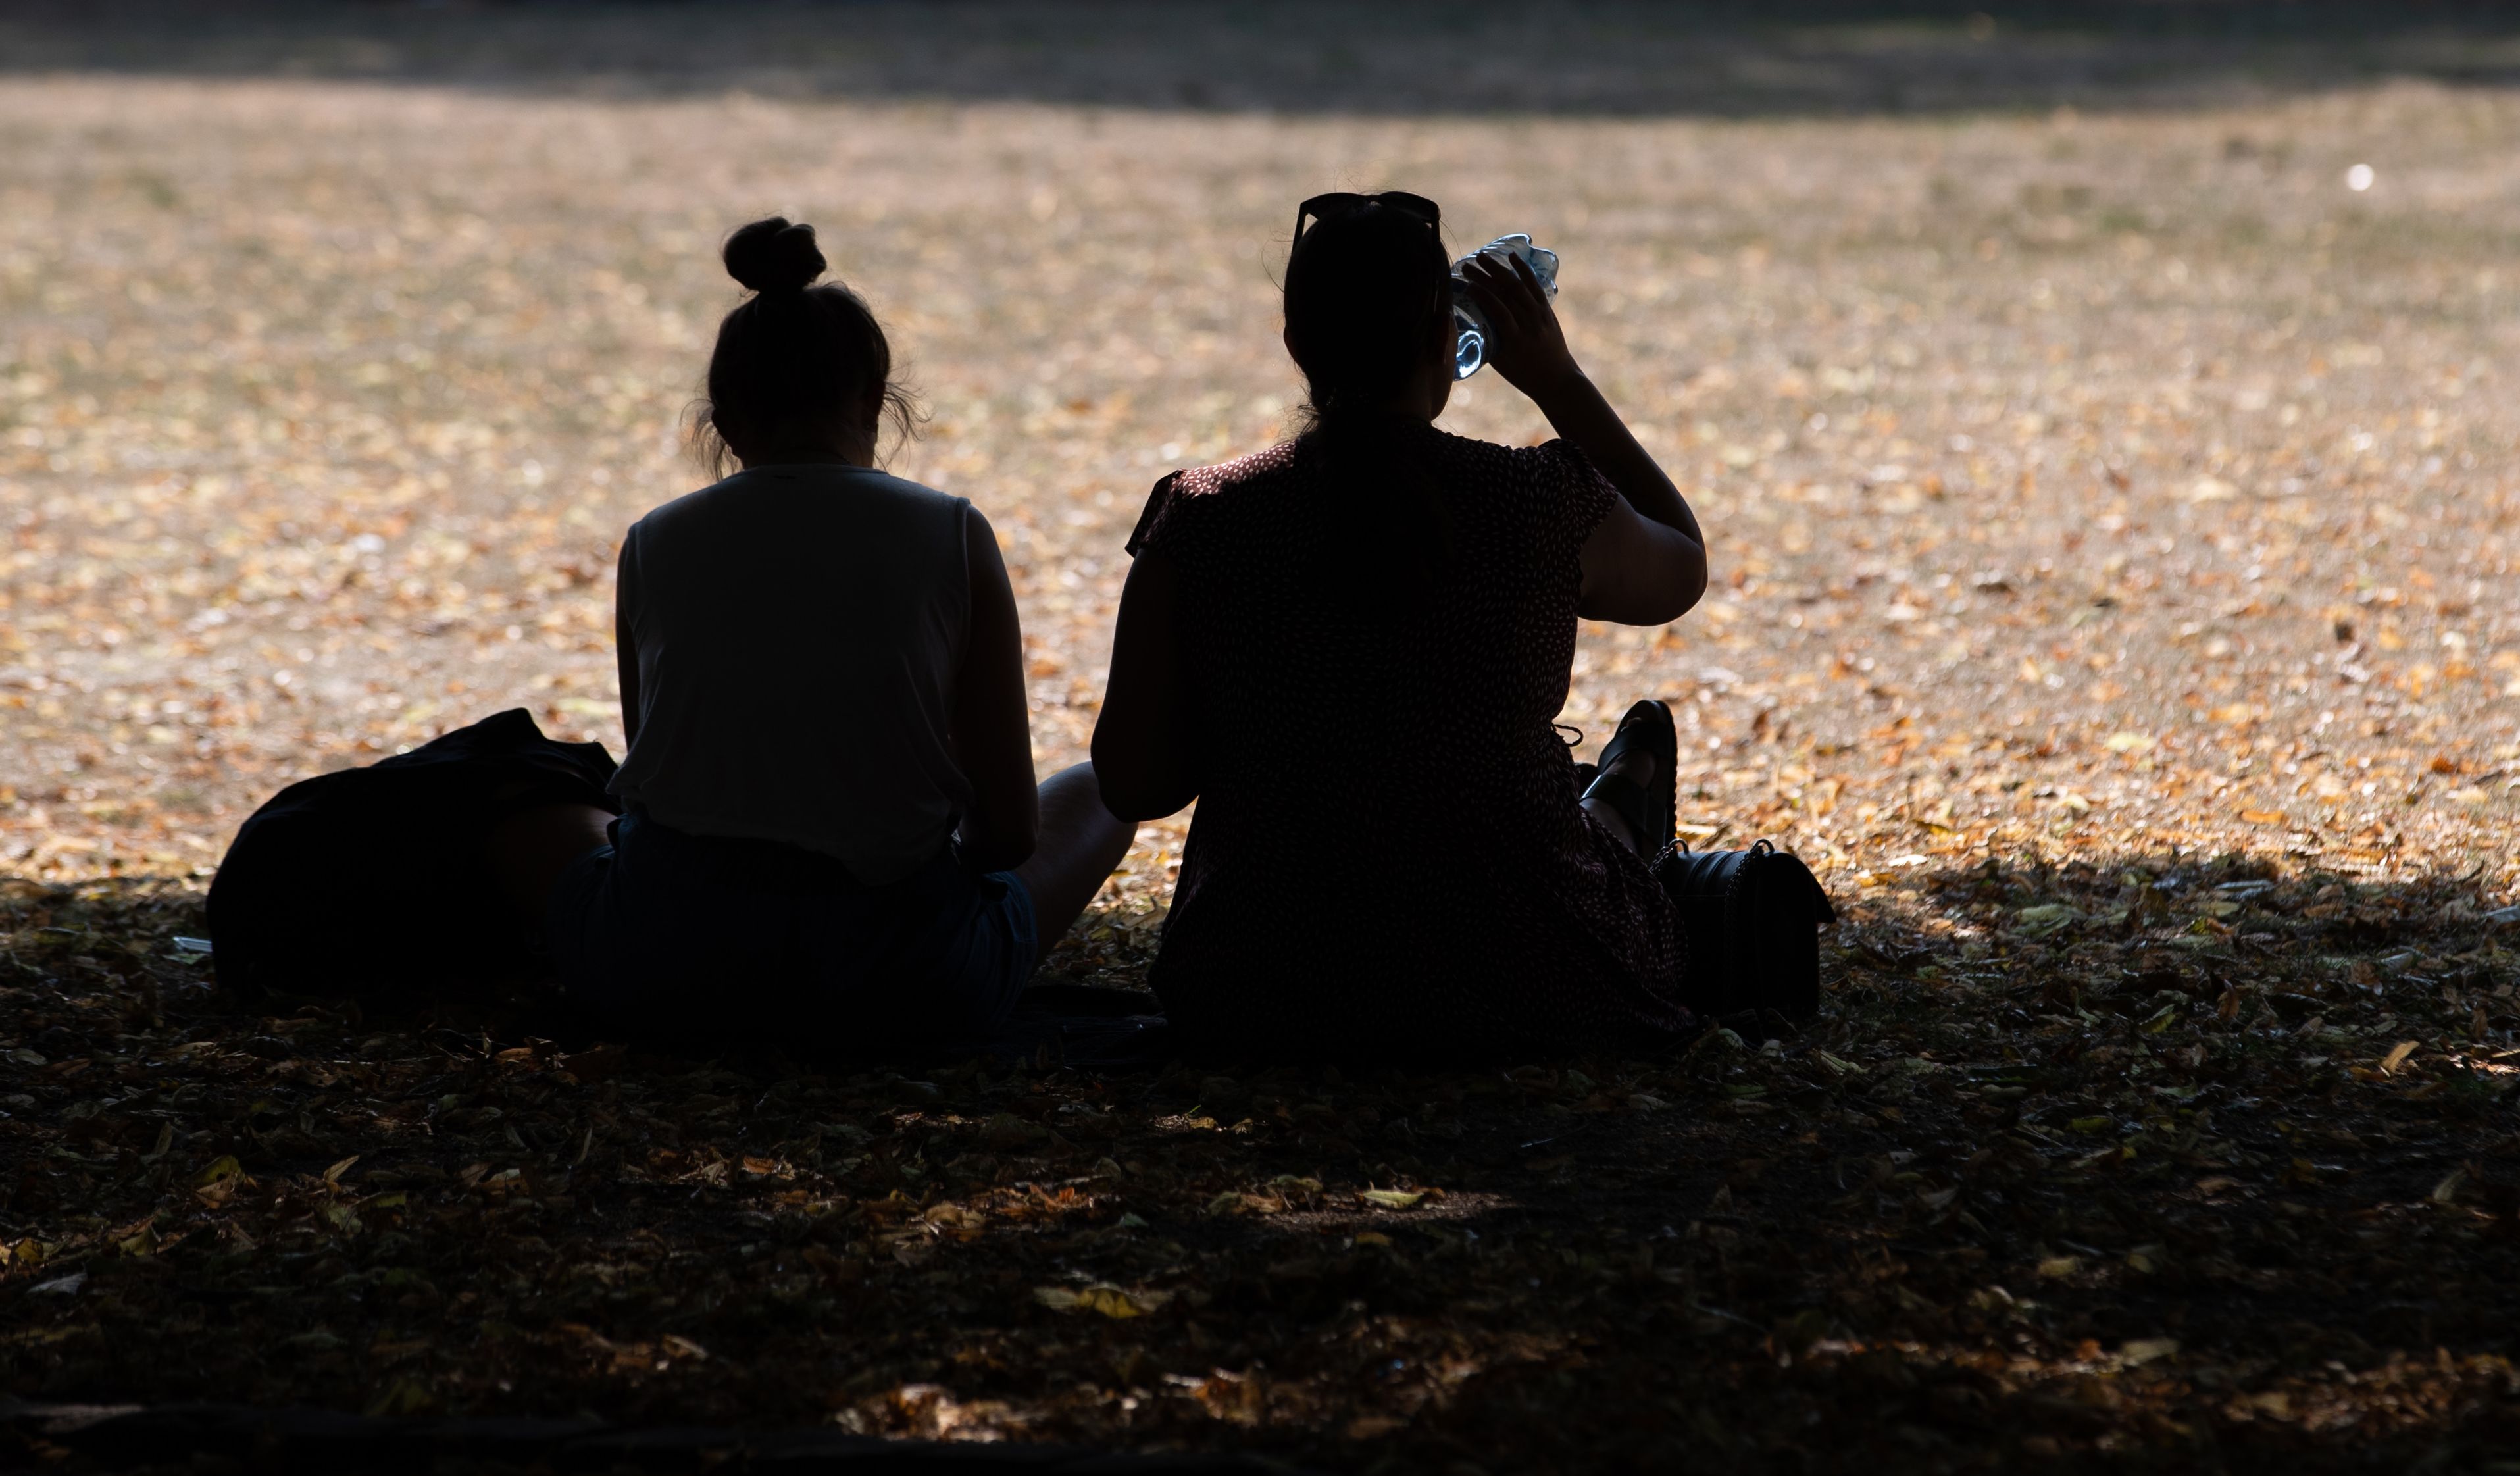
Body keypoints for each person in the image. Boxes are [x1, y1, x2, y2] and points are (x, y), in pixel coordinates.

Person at [1091, 191, 1709, 1061]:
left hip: (1260, 987)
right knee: (1586, 838)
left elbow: (1132, 784)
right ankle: (1615, 796)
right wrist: (1558, 381)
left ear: (1295, 343)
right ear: (1445, 342)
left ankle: (1610, 792)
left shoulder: (1202, 516)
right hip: (1539, 974)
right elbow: (1680, 563)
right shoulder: (1540, 503)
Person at [517, 217, 1134, 1048]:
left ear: (723, 421)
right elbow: (1010, 837)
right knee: (1106, 785)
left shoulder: (653, 539)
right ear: (876, 401)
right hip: (903, 982)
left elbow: (663, 783)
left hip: (664, 972)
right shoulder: (949, 532)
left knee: (544, 804)